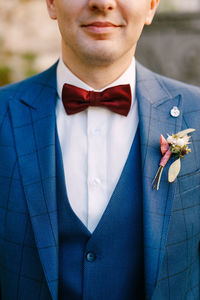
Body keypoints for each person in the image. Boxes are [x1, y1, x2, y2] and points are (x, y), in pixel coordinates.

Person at [0, 0, 199, 299]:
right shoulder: (4, 113)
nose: (103, 3)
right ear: (52, 3)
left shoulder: (196, 113)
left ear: (151, 6)